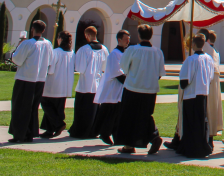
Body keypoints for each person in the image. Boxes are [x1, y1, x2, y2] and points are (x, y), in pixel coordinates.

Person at [114, 23, 165, 155]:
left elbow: (124, 68)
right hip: (150, 90)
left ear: (138, 35)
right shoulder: (158, 52)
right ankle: (152, 137)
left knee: (128, 117)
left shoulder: (132, 50)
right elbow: (160, 73)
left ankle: (130, 144)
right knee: (145, 115)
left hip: (132, 87)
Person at [9, 20, 52, 143]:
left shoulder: (27, 43)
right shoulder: (48, 44)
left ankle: (20, 134)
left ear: (32, 29)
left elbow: (17, 60)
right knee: (33, 107)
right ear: (43, 30)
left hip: (25, 79)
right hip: (40, 79)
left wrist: (19, 46)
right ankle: (30, 133)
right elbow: (50, 61)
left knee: (20, 107)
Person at [177, 34, 216, 158]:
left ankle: (190, 148)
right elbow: (210, 77)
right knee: (201, 121)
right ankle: (202, 146)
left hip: (191, 95)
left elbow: (184, 81)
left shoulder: (190, 60)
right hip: (203, 93)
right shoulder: (209, 59)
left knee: (190, 122)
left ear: (193, 44)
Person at [68, 25, 108, 138]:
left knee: (82, 110)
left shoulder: (84, 49)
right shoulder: (104, 49)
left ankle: (81, 131)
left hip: (85, 84)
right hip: (97, 84)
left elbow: (79, 68)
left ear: (87, 35)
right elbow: (105, 67)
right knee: (94, 110)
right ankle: (93, 131)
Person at [94, 29, 130, 145]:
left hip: (119, 90)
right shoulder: (114, 54)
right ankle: (104, 133)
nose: (127, 41)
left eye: (129, 39)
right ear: (119, 40)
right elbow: (118, 73)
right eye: (125, 39)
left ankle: (116, 137)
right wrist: (130, 82)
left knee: (116, 115)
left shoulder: (124, 53)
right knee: (110, 114)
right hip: (113, 89)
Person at [40, 31, 75, 139]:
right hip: (65, 85)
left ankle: (59, 123)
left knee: (46, 104)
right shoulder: (72, 53)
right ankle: (50, 130)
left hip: (54, 83)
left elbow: (50, 70)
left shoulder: (56, 52)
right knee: (57, 107)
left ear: (60, 39)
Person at [203, 30, 224, 137]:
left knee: (208, 106)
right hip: (214, 81)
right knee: (212, 105)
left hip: (208, 81)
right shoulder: (215, 51)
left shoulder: (206, 49)